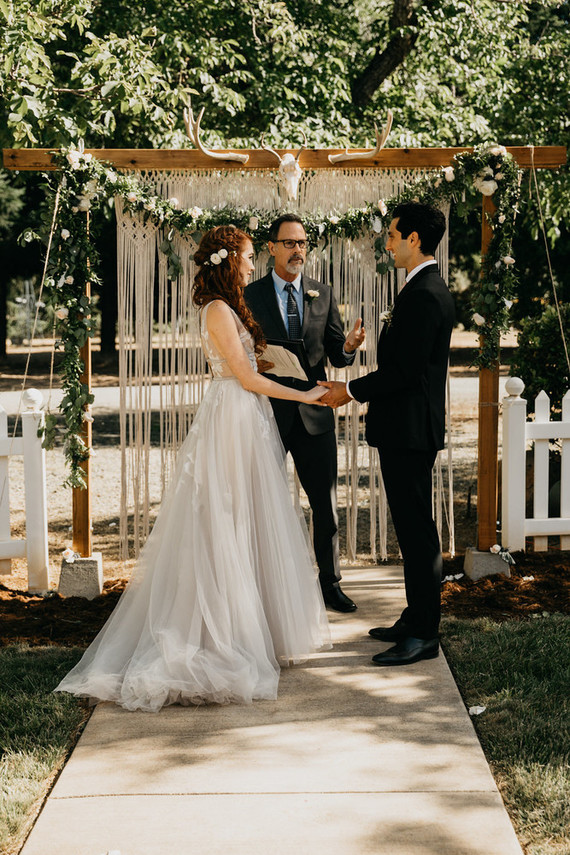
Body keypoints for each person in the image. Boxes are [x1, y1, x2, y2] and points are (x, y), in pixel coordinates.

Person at [55, 226, 331, 712]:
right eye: (246, 258)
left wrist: (276, 364)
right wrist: (304, 391)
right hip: (232, 416)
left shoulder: (228, 306)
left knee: (245, 517)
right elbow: (244, 378)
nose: (251, 265)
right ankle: (217, 636)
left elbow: (248, 364)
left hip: (244, 417)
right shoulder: (219, 309)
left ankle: (251, 627)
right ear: (228, 262)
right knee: (222, 520)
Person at [319, 202, 455, 665]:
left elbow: (403, 371)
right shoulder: (418, 288)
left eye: (393, 234)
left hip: (410, 431)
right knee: (411, 527)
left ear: (414, 238)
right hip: (405, 428)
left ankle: (424, 634)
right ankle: (414, 618)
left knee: (417, 532)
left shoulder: (425, 294)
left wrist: (349, 390)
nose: (388, 241)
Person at [245, 214, 365, 613]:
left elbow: (336, 354)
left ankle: (330, 585)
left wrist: (347, 345)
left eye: (303, 243)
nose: (299, 250)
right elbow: (240, 352)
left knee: (325, 507)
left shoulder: (322, 292)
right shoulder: (250, 294)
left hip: (315, 416)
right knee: (262, 505)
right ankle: (263, 589)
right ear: (272, 248)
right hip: (267, 416)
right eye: (290, 243)